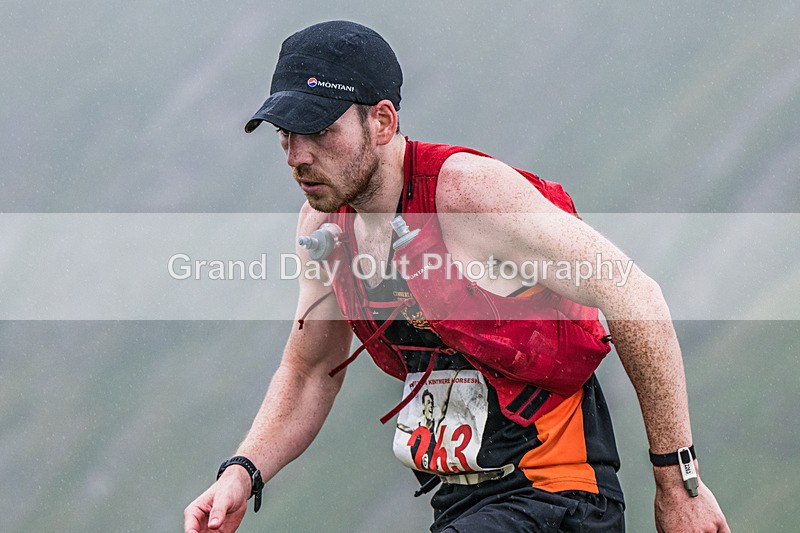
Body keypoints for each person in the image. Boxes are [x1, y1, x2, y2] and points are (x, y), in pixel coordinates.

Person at [184, 20, 729, 533]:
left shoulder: (468, 196)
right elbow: (310, 368)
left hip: (558, 497)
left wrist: (678, 484)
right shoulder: (323, 228)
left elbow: (633, 293)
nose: (296, 156)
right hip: (460, 504)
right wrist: (242, 471)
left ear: (382, 122)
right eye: (285, 134)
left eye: (319, 130)